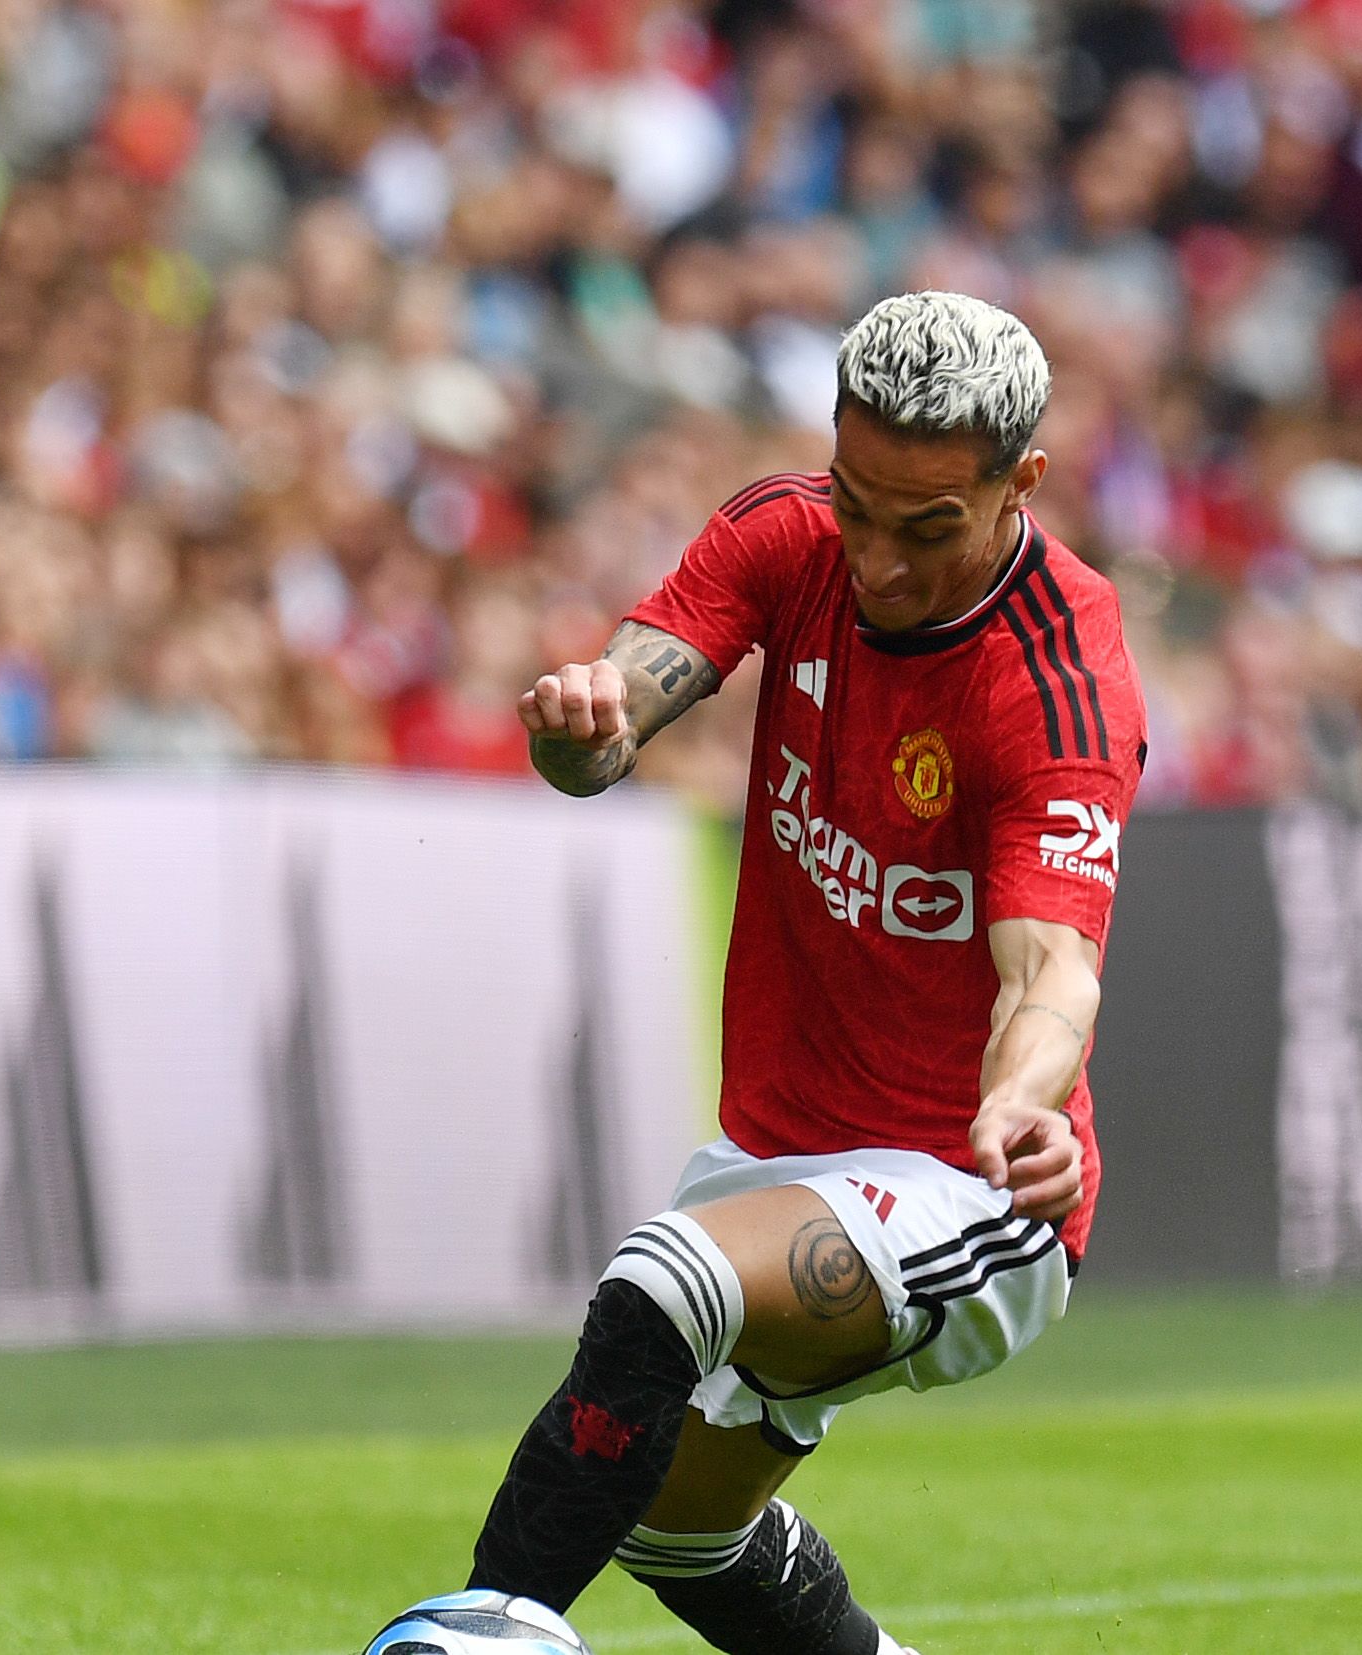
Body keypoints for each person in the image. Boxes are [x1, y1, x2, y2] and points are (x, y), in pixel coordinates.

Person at [449, 291, 1145, 1655]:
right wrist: (580, 726)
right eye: (858, 505)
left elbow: (1052, 965)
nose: (876, 561)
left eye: (927, 526)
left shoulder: (1055, 680)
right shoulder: (785, 533)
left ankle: (489, 1628)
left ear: (1023, 484)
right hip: (777, 1155)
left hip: (971, 1181)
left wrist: (1021, 1102)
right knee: (671, 1530)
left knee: (662, 1280)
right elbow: (612, 726)